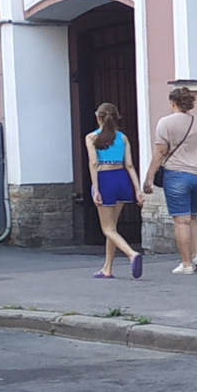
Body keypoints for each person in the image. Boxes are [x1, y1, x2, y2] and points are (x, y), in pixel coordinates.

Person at [143, 86, 197, 276]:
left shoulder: (165, 123)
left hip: (177, 175)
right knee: (193, 216)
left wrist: (149, 177)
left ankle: (186, 263)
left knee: (181, 220)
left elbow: (160, 152)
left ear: (172, 102)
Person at [83, 102, 145, 279]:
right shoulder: (123, 138)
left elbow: (93, 163)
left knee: (107, 229)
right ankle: (107, 268)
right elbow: (130, 165)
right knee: (113, 228)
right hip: (122, 178)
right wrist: (137, 190)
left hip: (105, 179)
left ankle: (131, 254)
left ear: (98, 117)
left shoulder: (92, 138)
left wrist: (96, 189)